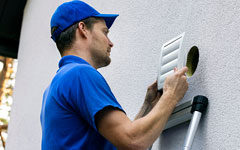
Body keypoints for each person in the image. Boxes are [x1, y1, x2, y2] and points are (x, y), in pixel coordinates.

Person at [40, 1, 188, 150]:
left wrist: (149, 105)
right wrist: (171, 96)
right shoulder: (79, 74)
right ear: (83, 28)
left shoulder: (54, 87)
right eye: (105, 32)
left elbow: (123, 142)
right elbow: (133, 142)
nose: (111, 43)